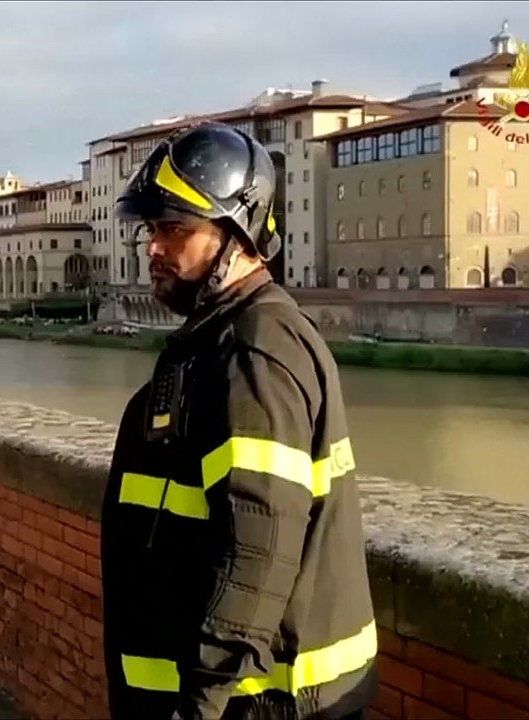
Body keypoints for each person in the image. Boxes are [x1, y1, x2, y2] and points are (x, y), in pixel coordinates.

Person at [99, 123, 378, 720]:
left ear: (238, 232)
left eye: (174, 229)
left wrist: (202, 702)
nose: (153, 247)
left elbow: (259, 543)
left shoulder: (255, 351)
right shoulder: (222, 337)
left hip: (255, 704)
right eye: (151, 229)